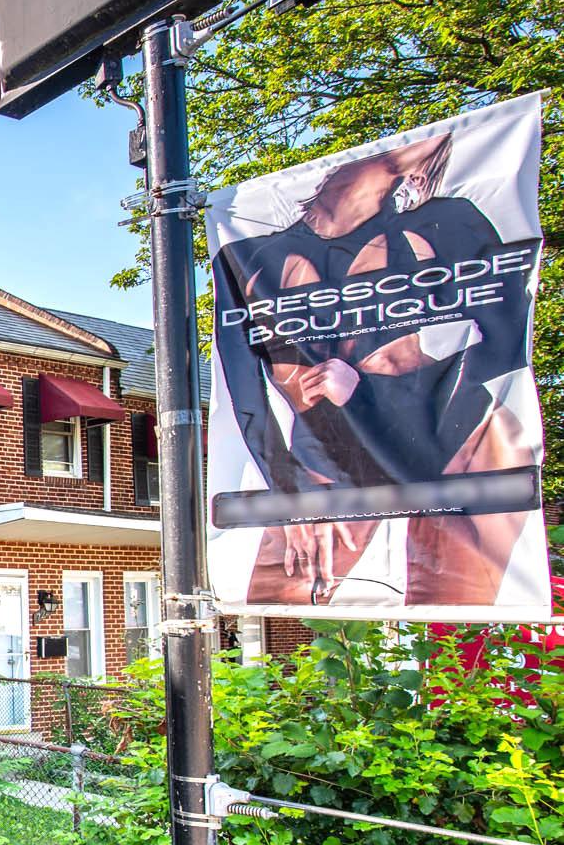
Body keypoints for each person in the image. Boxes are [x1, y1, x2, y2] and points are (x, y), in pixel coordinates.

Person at [212, 132, 540, 608]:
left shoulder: (446, 223)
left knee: (454, 614)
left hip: (455, 434)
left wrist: (368, 394)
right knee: (279, 596)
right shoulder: (248, 259)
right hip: (328, 455)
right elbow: (244, 397)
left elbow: (508, 342)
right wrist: (293, 499)